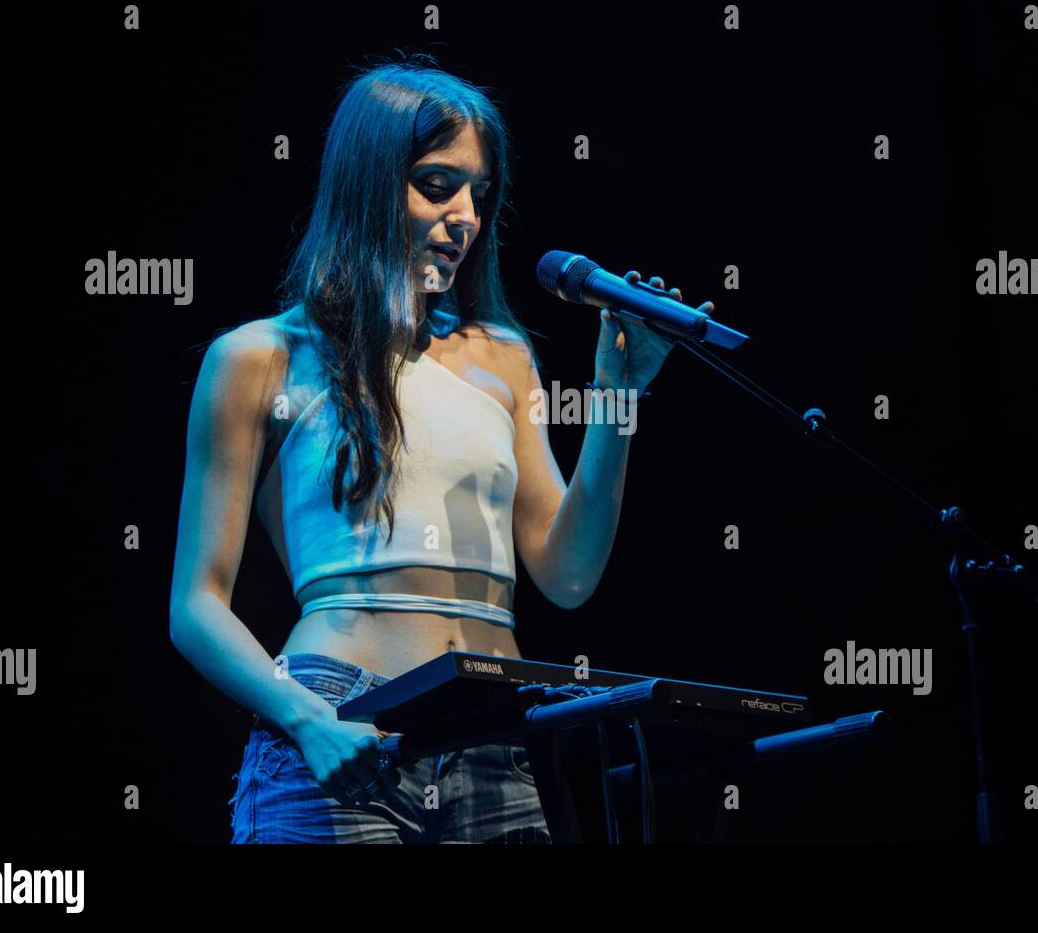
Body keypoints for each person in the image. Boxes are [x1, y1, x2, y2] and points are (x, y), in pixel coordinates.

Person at [168, 56, 715, 843]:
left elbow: (566, 575)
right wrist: (310, 719)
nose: (465, 215)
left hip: (497, 740)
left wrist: (618, 395)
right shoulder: (259, 359)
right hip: (341, 721)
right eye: (436, 184)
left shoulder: (504, 357)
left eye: (480, 194)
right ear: (366, 181)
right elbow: (195, 605)